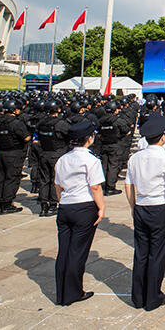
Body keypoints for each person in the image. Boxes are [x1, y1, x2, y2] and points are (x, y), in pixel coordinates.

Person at [125, 114, 165, 311]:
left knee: (141, 253)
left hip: (141, 206)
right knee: (157, 254)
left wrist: (133, 206)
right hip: (159, 207)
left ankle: (138, 296)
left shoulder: (135, 158)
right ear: (163, 137)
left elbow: (128, 185)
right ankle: (153, 296)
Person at [53, 120, 104, 306]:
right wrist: (101, 208)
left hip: (66, 206)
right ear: (89, 138)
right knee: (77, 252)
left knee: (64, 251)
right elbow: (96, 187)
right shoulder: (91, 160)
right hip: (84, 206)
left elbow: (57, 186)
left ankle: (62, 293)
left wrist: (62, 202)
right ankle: (73, 292)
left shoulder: (62, 159)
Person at [0, 99, 31, 214]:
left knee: (1, 178)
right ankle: (7, 203)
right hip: (14, 153)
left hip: (1, 152)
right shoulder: (16, 123)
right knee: (12, 178)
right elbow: (26, 138)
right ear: (15, 110)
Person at [37, 101, 71, 217]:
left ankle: (43, 205)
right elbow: (70, 134)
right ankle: (52, 205)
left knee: (44, 180)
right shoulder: (60, 124)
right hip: (56, 153)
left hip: (44, 153)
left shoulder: (41, 123)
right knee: (55, 180)